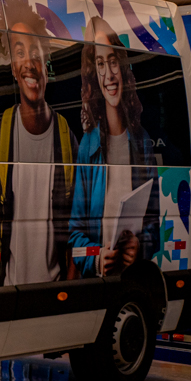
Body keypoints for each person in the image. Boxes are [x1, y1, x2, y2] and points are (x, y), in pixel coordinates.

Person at [0, 0, 76, 287]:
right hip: (13, 291)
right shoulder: (2, 135)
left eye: (35, 52)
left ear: (46, 63)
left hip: (56, 290)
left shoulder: (66, 137)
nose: (29, 63)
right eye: (19, 52)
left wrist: (69, 289)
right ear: (13, 68)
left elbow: (77, 224)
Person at [67, 17, 157, 277]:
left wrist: (140, 246)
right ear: (94, 75)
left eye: (113, 61)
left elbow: (153, 223)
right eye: (100, 64)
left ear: (122, 66)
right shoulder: (87, 146)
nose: (108, 74)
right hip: (99, 283)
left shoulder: (142, 142)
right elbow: (74, 233)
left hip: (133, 278)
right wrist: (96, 258)